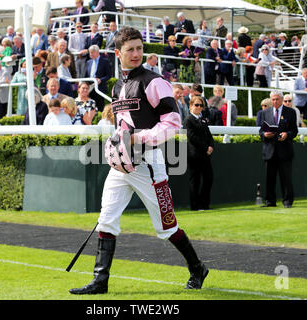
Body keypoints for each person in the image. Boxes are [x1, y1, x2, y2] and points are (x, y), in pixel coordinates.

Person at [69, 26, 208, 295]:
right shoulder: (117, 86)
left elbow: (172, 123)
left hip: (150, 164)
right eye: (130, 49)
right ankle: (100, 280)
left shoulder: (155, 82)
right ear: (117, 52)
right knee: (107, 218)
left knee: (166, 226)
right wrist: (117, 142)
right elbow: (122, 125)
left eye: (139, 48)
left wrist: (137, 138)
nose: (136, 54)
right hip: (121, 164)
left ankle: (197, 267)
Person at [258, 91, 298, 209]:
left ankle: (287, 201)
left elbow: (294, 131)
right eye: (273, 99)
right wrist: (264, 134)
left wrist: (287, 134)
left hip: (284, 150)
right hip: (269, 150)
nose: (275, 101)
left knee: (286, 178)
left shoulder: (290, 112)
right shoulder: (265, 113)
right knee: (269, 178)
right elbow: (260, 130)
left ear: (281, 99)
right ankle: (270, 202)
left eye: (277, 99)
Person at [183, 95, 214, 211]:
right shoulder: (188, 120)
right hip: (194, 155)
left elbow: (209, 135)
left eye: (201, 105)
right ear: (191, 106)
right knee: (195, 181)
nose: (199, 107)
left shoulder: (203, 120)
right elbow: (192, 137)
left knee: (209, 179)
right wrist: (206, 147)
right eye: (196, 105)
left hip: (205, 155)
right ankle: (195, 205)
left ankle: (204, 204)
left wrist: (211, 145)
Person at [85, 45, 112, 111]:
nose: (90, 54)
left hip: (100, 87)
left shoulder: (105, 61)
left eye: (92, 52)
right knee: (90, 108)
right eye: (90, 53)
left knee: (100, 108)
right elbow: (86, 75)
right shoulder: (88, 62)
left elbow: (109, 75)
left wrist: (100, 80)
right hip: (90, 88)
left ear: (97, 52)